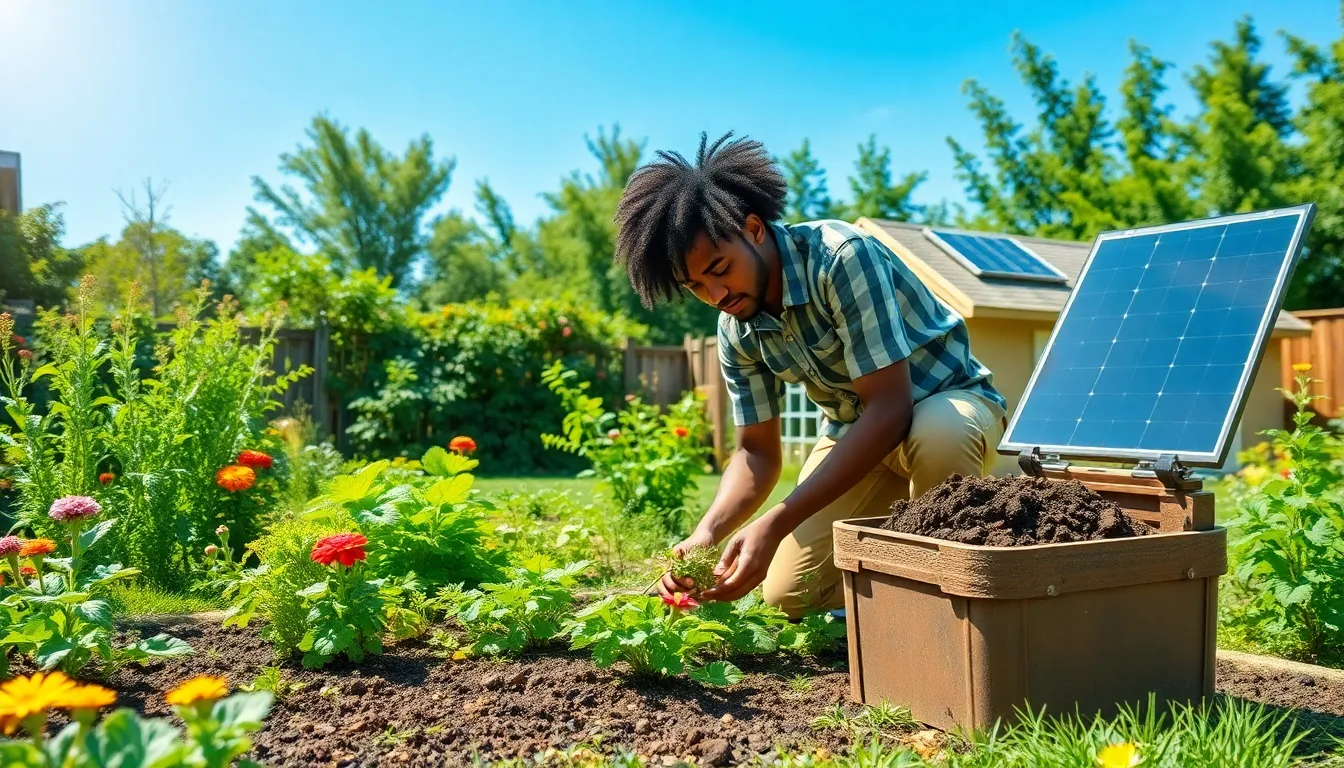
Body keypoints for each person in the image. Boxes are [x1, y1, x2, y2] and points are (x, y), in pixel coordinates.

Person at [613, 132, 1008, 618]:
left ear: (754, 229)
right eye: (695, 285)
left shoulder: (841, 257)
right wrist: (707, 533)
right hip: (858, 434)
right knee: (787, 597)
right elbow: (755, 452)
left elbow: (891, 407)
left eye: (720, 268)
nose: (715, 293)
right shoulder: (737, 326)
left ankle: (940, 602)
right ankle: (894, 581)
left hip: (945, 405)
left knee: (940, 435)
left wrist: (775, 522)